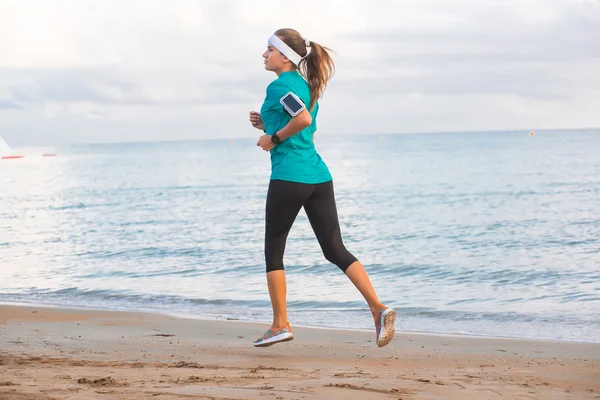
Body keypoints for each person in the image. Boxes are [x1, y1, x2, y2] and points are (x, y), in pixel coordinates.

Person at [248, 28, 396, 348]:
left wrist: (271, 138)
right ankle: (378, 308)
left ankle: (279, 325)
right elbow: (302, 120)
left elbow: (300, 119)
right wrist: (266, 122)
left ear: (284, 55)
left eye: (269, 50)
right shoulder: (304, 84)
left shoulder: (279, 86)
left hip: (290, 177)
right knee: (334, 249)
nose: (264, 55)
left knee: (273, 250)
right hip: (319, 177)